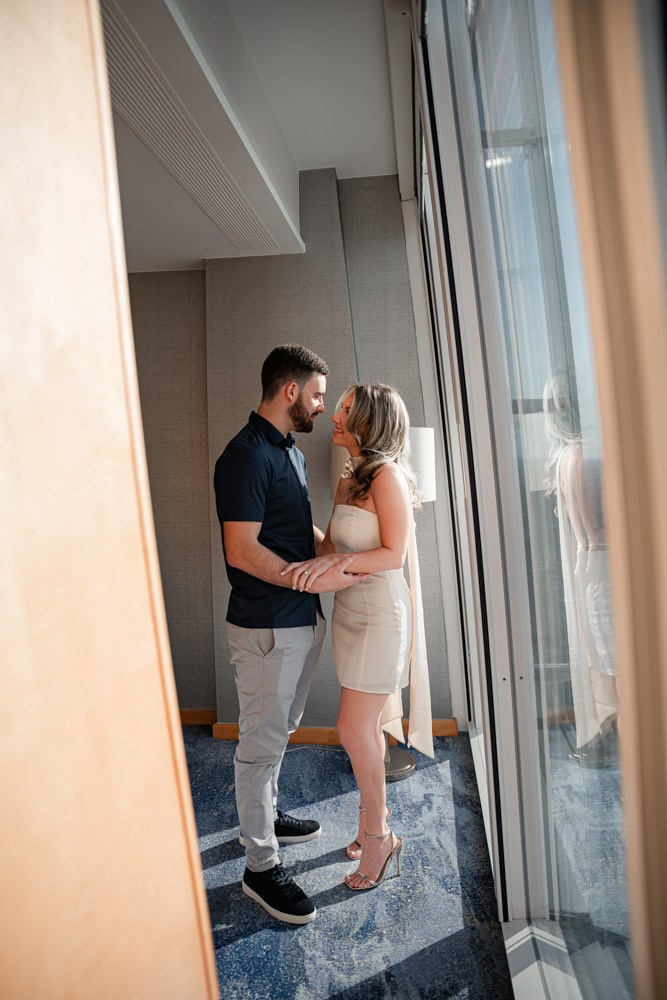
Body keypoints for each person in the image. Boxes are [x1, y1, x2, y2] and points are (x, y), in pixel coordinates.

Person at [214, 345, 365, 925]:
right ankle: (259, 866)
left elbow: (294, 526)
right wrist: (303, 579)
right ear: (291, 391)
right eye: (319, 394)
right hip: (266, 625)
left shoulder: (289, 453)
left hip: (300, 621)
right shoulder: (245, 456)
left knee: (281, 732)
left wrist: (331, 552)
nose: (323, 407)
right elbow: (241, 548)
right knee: (259, 745)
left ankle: (268, 815)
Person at [282, 383, 434, 892]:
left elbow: (392, 554)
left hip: (380, 615)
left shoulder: (388, 478)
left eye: (346, 410)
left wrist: (336, 566)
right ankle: (372, 822)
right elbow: (331, 547)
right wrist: (295, 510)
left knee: (352, 728)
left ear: (369, 421)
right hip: (349, 611)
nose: (335, 417)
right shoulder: (349, 480)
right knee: (364, 730)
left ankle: (379, 836)